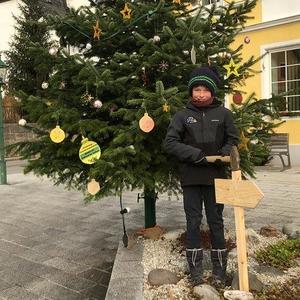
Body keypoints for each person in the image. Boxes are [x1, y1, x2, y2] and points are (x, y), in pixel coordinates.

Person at [163, 65, 239, 286]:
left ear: (212, 92)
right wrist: (196, 155)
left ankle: (219, 271)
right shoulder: (182, 116)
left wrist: (224, 152)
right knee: (193, 221)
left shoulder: (224, 114)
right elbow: (170, 143)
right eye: (196, 89)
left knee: (216, 220)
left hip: (217, 177)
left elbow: (232, 139)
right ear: (191, 92)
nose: (201, 93)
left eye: (205, 89)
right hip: (191, 177)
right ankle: (195, 272)